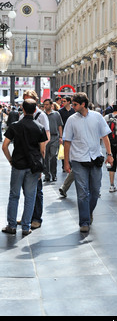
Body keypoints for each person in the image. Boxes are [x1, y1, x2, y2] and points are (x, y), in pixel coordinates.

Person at [63, 92, 113, 232]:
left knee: (95, 191)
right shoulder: (72, 120)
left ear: (83, 104)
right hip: (79, 160)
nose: (72, 107)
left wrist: (109, 154)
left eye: (75, 104)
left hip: (95, 158)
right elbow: (67, 142)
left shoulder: (97, 117)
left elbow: (105, 136)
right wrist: (66, 162)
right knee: (82, 192)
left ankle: (88, 211)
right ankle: (84, 221)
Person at [2, 98, 48, 236]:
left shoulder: (15, 126)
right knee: (30, 196)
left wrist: (10, 160)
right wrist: (41, 167)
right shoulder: (39, 128)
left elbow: (4, 146)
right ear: (35, 110)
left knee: (14, 195)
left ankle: (11, 226)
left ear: (22, 109)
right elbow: (42, 151)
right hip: (33, 166)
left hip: (18, 165)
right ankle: (26, 227)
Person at [22, 90, 50, 230]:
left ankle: (36, 218)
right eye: (25, 100)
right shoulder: (23, 115)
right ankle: (27, 215)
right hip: (23, 158)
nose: (27, 103)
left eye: (29, 100)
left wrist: (40, 159)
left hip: (35, 157)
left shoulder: (41, 115)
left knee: (37, 189)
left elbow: (46, 137)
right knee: (26, 189)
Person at [58, 96, 76, 197]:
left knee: (76, 167)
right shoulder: (61, 111)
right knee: (66, 152)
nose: (63, 102)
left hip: (76, 138)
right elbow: (60, 125)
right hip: (66, 135)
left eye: (64, 101)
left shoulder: (75, 112)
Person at [43, 98, 63, 182]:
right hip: (44, 138)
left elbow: (59, 126)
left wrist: (61, 137)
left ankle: (54, 174)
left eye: (47, 104)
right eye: (44, 105)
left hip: (54, 137)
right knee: (45, 156)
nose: (45, 106)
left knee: (53, 156)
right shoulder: (42, 114)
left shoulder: (56, 114)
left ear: (51, 105)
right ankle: (47, 175)